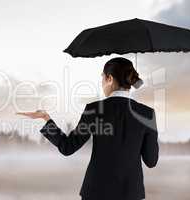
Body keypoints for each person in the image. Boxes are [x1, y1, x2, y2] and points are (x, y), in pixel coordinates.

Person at [16, 57, 159, 200]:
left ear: (109, 78)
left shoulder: (94, 109)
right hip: (131, 193)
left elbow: (67, 147)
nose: (102, 82)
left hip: (96, 192)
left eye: (102, 77)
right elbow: (151, 161)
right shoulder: (147, 114)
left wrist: (46, 118)